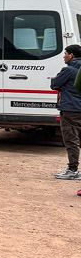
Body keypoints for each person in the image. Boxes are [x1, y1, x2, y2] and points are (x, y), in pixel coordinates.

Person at [53, 45, 81, 179]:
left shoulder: (69, 70)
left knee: (71, 140)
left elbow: (54, 84)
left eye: (65, 54)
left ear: (72, 55)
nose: (64, 56)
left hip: (70, 109)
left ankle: (73, 170)